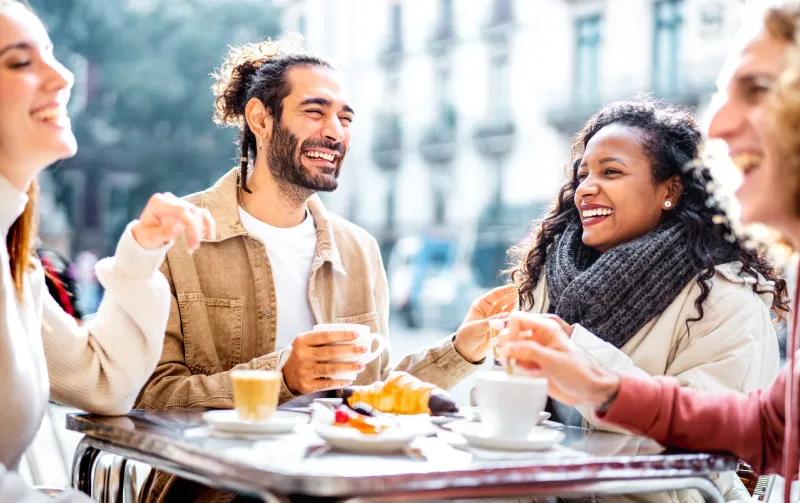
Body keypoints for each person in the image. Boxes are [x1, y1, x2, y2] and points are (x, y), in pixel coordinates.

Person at [136, 36, 514, 503]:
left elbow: (371, 396)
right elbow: (149, 396)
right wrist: (283, 378)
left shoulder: (359, 249)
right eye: (315, 111)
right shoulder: (177, 235)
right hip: (216, 491)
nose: (336, 132)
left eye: (345, 117)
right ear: (260, 119)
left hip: (343, 486)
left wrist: (462, 347)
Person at [502, 3, 800, 503]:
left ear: (671, 190)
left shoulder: (724, 296)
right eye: (582, 175)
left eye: (611, 172)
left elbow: (709, 455)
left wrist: (580, 354)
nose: (584, 190)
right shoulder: (547, 275)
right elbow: (771, 429)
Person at [0, 1, 216, 501]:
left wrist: (142, 251)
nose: (62, 77)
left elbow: (104, 383)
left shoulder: (17, 267)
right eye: (19, 61)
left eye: (51, 54)